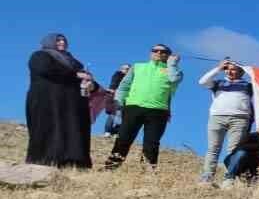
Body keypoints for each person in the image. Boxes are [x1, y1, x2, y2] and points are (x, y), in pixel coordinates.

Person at [105, 43, 183, 170]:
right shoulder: (137, 67)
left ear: (168, 55)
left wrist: (172, 64)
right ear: (151, 53)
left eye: (163, 52)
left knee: (151, 143)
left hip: (158, 111)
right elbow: (124, 85)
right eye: (155, 50)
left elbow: (174, 80)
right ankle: (111, 167)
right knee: (123, 138)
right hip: (133, 108)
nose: (158, 53)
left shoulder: (174, 71)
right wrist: (119, 102)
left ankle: (148, 172)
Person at [26, 32, 98, 168]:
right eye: (58, 40)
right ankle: (44, 161)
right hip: (47, 101)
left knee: (73, 132)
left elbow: (85, 77)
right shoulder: (40, 56)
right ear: (49, 42)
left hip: (71, 105)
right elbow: (45, 70)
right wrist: (75, 75)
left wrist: (91, 84)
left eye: (64, 40)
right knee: (49, 130)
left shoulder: (74, 62)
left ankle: (73, 163)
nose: (62, 42)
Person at [196, 58, 254, 183]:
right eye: (228, 69)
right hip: (217, 118)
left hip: (240, 119)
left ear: (241, 72)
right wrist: (219, 68)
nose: (230, 72)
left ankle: (229, 177)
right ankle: (207, 175)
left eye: (234, 70)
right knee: (213, 148)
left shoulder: (249, 86)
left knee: (233, 150)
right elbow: (202, 82)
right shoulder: (218, 83)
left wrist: (249, 70)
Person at [219, 119, 259, 186]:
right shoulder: (251, 136)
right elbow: (239, 148)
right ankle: (228, 178)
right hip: (233, 161)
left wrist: (253, 173)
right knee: (242, 153)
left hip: (248, 167)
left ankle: (248, 178)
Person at [101, 64, 131, 135]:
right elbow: (114, 85)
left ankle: (114, 131)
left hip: (121, 97)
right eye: (125, 69)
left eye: (128, 69)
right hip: (115, 96)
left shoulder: (129, 78)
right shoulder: (118, 75)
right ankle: (108, 131)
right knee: (114, 114)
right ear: (121, 69)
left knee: (121, 115)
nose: (127, 70)